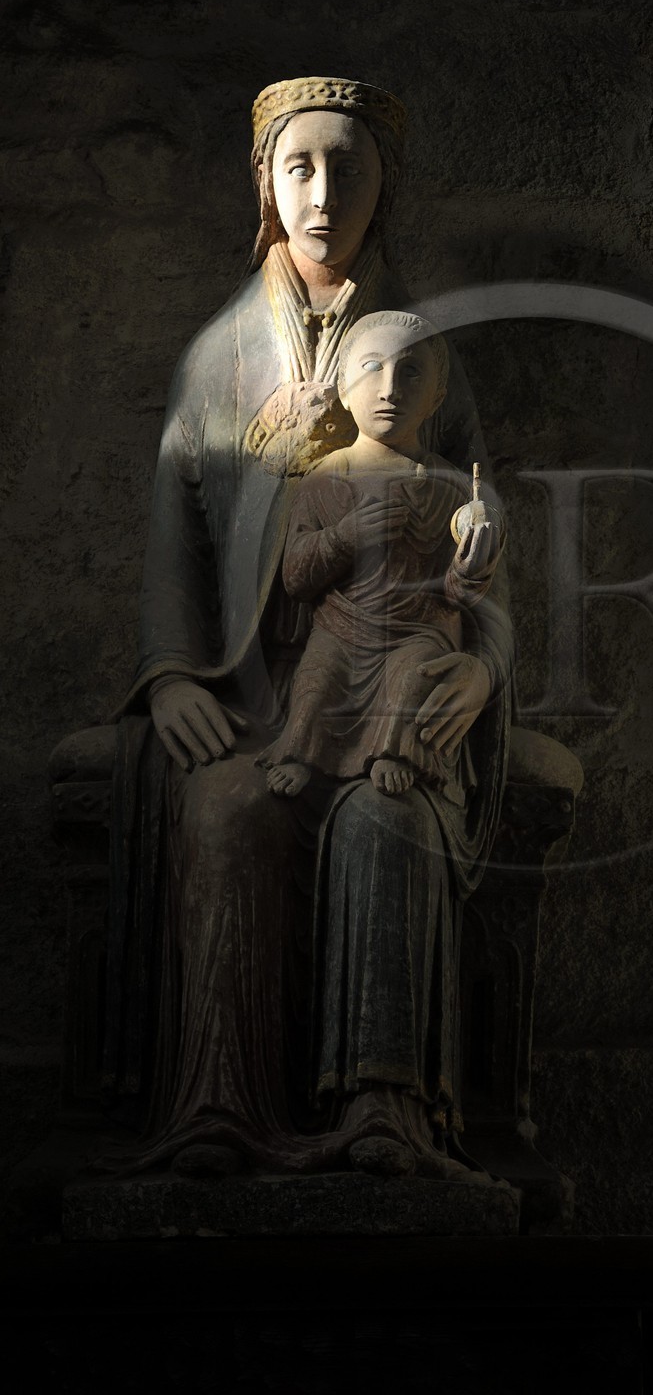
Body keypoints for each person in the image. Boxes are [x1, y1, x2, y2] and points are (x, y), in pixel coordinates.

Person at [101, 77, 511, 1181]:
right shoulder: (220, 357)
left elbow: (481, 540)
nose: (324, 194)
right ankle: (216, 1113)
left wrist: (481, 671)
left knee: (390, 822)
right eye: (299, 167)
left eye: (351, 167)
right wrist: (173, 675)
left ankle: (387, 1113)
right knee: (226, 811)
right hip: (254, 693)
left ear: (388, 186)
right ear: (265, 184)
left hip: (402, 677)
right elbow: (174, 540)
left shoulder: (430, 354)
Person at [257, 309, 501, 803]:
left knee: (415, 680)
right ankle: (302, 753)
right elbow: (296, 577)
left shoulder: (447, 485)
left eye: (410, 371)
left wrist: (469, 571)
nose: (390, 388)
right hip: (341, 631)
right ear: (345, 389)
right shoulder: (326, 478)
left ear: (435, 396)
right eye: (373, 368)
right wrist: (345, 537)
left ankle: (398, 752)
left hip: (416, 633)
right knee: (317, 682)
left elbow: (453, 595)